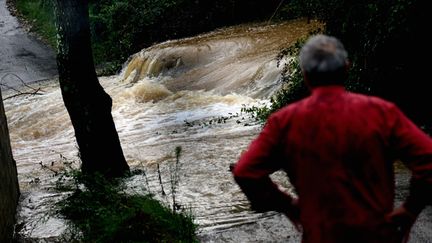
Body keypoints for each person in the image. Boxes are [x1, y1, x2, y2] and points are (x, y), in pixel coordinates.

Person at [231, 34, 432, 243]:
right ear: (346, 68)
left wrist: (286, 204)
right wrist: (410, 209)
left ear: (305, 74)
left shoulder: (284, 122)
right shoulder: (382, 113)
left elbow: (245, 172)